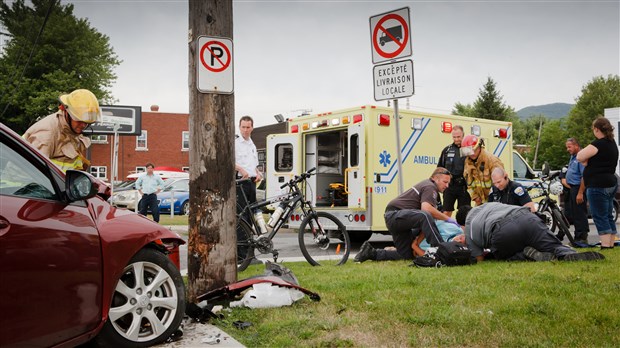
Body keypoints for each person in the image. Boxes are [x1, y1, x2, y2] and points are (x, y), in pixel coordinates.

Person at [354, 167, 458, 263]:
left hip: (398, 219)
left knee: (406, 254)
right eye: (445, 182)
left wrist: (417, 242)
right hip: (395, 215)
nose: (447, 186)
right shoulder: (430, 186)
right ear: (435, 178)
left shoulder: (429, 187)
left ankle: (371, 253)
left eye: (448, 183)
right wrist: (448, 219)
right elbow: (426, 210)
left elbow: (428, 222)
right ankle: (441, 250)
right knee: (425, 215)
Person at [454, 203, 604, 262]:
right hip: (527, 218)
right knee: (550, 243)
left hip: (503, 232)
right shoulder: (487, 205)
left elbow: (479, 258)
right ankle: (566, 252)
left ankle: (526, 254)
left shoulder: (469, 225)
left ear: (462, 223)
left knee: (499, 256)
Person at [23, 89, 101, 172]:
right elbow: (35, 172)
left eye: (87, 122)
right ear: (66, 112)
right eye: (79, 120)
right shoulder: (47, 135)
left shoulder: (70, 130)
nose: (83, 125)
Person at [576, 117, 619, 250]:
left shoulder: (598, 144)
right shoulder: (612, 144)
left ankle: (605, 246)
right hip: (611, 183)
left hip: (597, 185)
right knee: (608, 215)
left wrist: (587, 162)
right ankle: (611, 243)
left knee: (600, 216)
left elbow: (579, 156)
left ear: (596, 129)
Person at [461, 135, 504, 206]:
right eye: (469, 152)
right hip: (480, 203)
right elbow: (469, 183)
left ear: (479, 146)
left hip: (495, 203)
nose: (472, 154)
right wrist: (475, 197)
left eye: (474, 150)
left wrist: (494, 200)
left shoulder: (492, 161)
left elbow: (501, 183)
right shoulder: (468, 163)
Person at [437, 125, 471, 217]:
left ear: (463, 135)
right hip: (449, 186)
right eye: (454, 137)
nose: (456, 139)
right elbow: (439, 168)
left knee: (464, 214)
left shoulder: (468, 150)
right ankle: (445, 231)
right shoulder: (447, 150)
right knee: (446, 212)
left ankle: (463, 231)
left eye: (458, 137)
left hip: (464, 187)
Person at [562, 137, 590, 245]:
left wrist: (580, 193)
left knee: (580, 214)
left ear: (576, 146)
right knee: (575, 214)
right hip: (572, 188)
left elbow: (584, 176)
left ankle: (582, 238)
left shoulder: (581, 157)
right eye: (567, 147)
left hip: (579, 188)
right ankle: (577, 238)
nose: (567, 149)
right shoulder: (573, 157)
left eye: (569, 147)